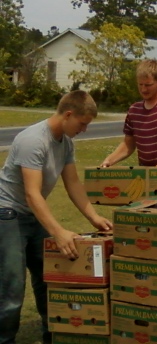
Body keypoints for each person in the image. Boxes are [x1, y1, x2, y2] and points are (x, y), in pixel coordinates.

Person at [0, 90, 113, 344]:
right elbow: (32, 193)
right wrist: (58, 232)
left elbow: (73, 183)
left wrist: (94, 218)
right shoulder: (32, 140)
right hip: (7, 213)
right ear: (68, 114)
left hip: (31, 213)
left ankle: (54, 333)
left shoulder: (66, 143)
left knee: (49, 277)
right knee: (12, 287)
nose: (84, 129)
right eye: (82, 123)